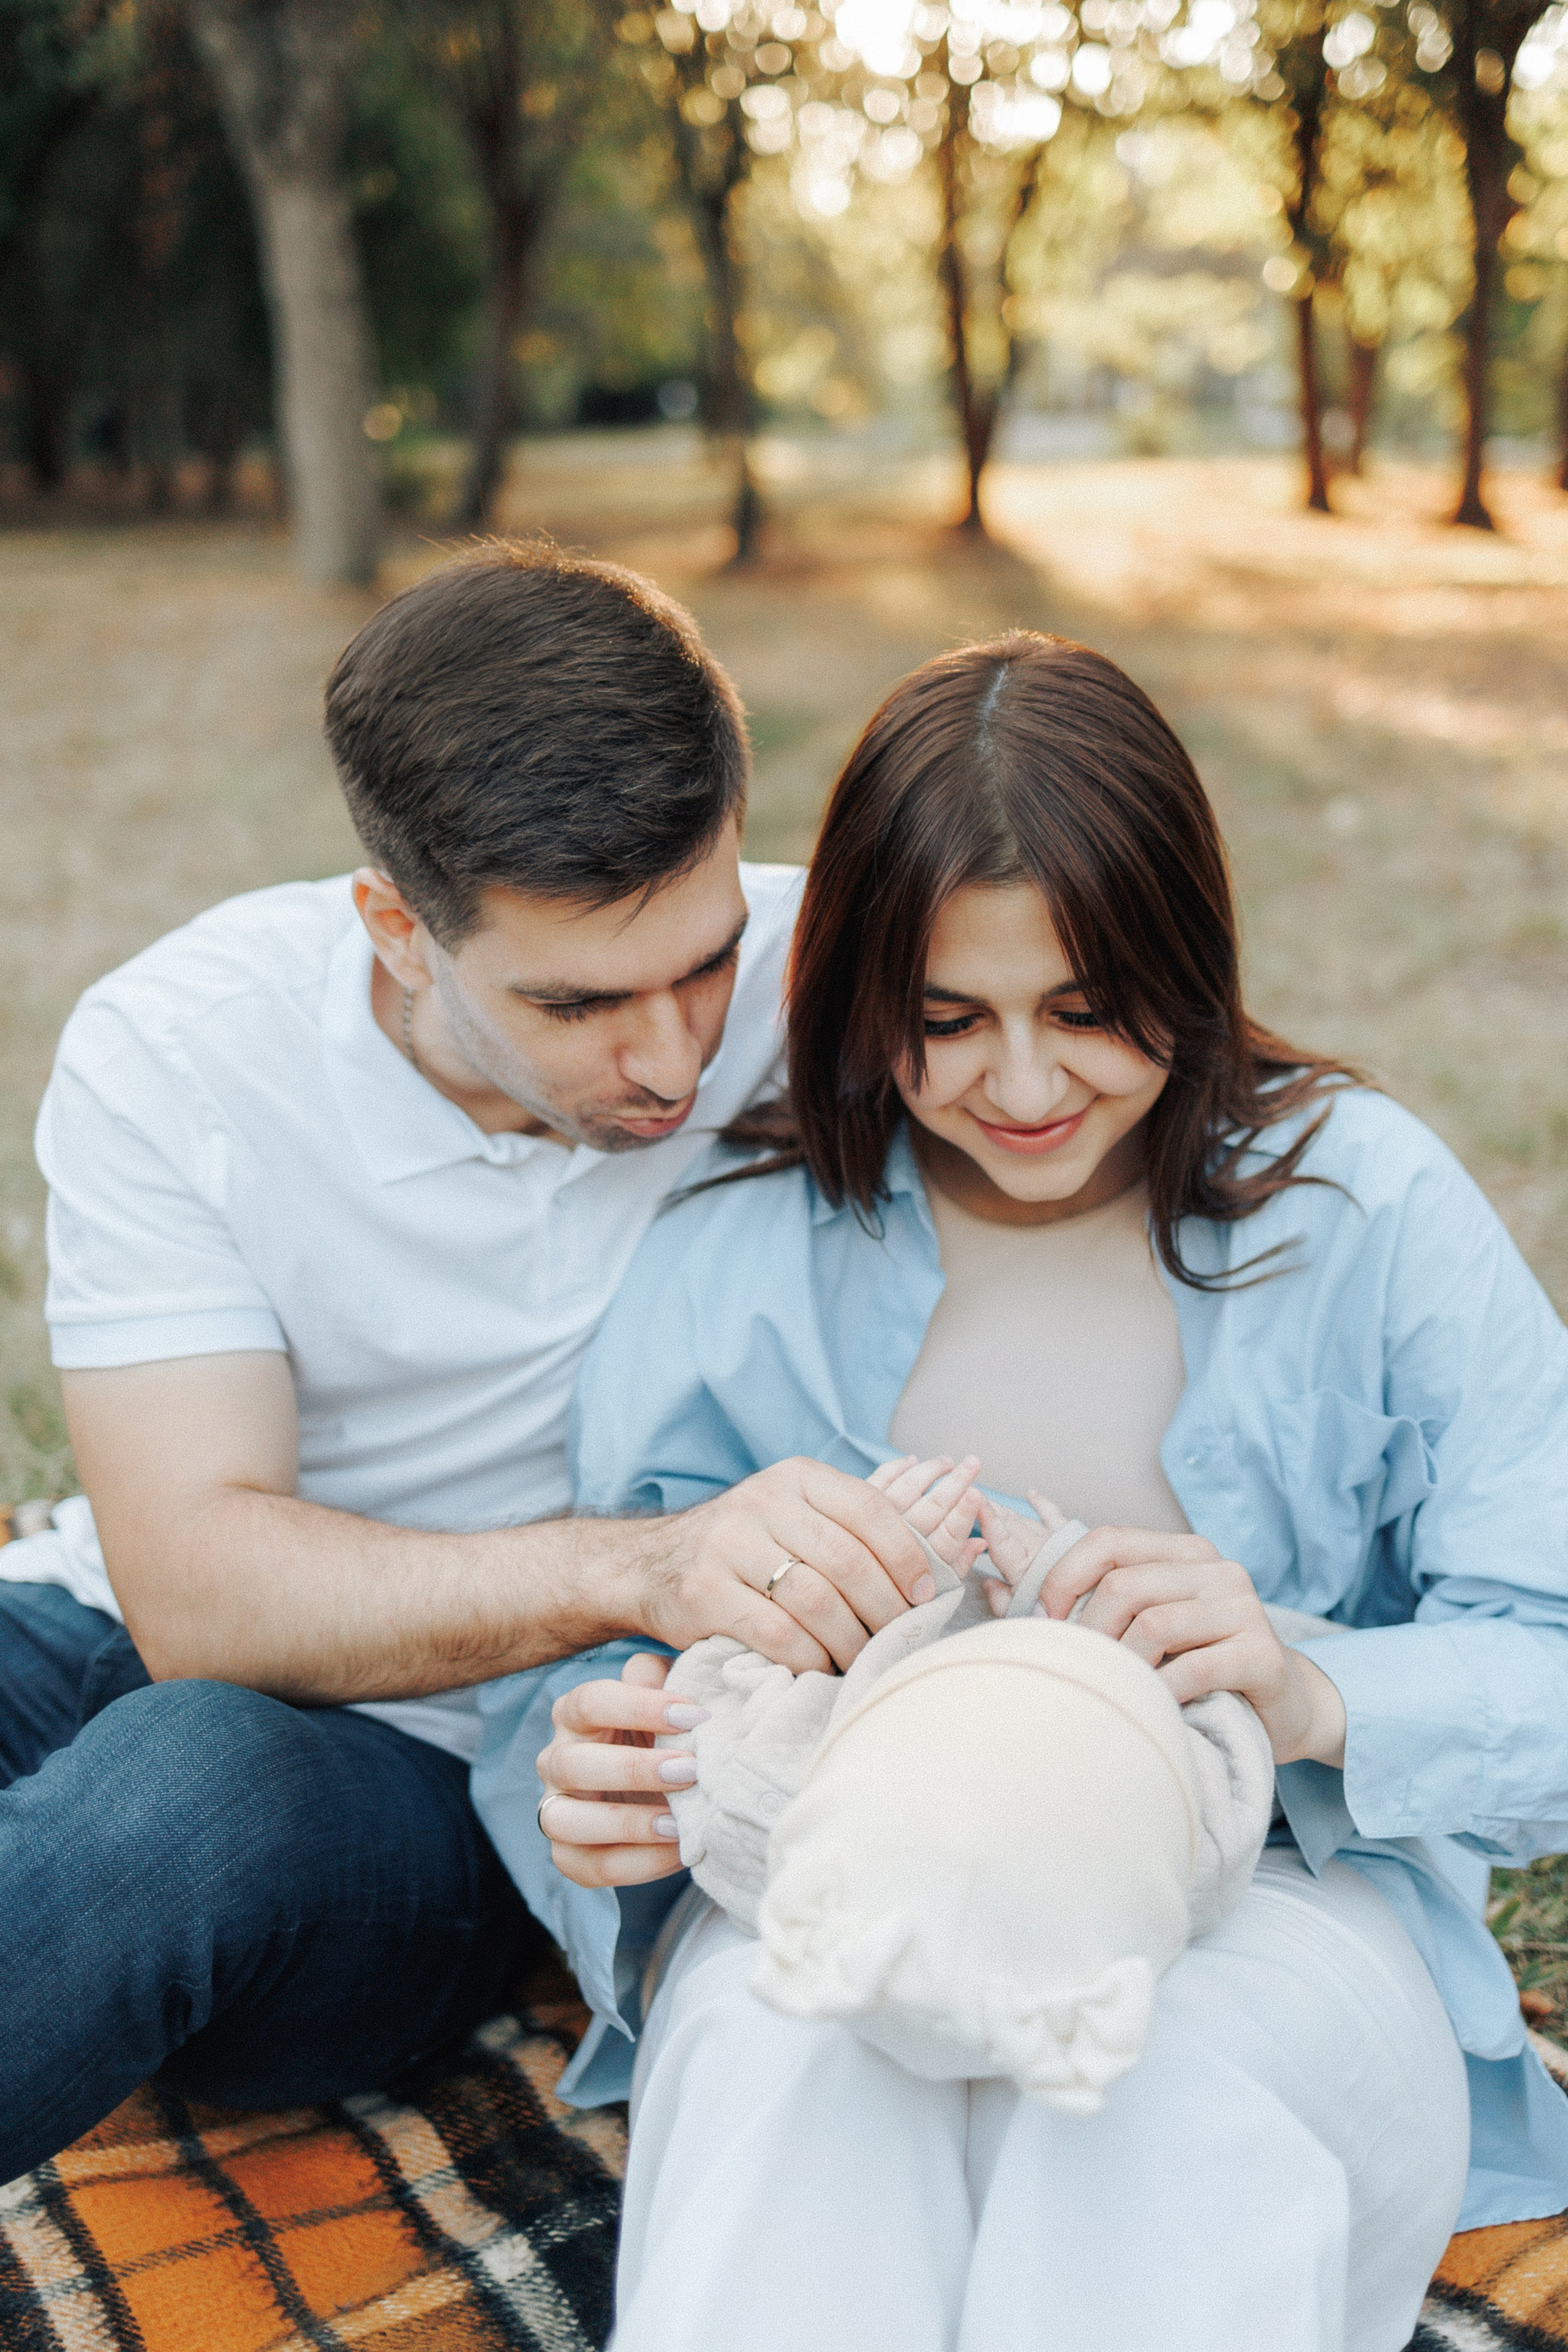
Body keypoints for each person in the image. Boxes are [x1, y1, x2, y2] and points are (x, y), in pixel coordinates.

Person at [519, 632, 1568, 2352]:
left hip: (1268, 1910)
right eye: (947, 1023)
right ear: (861, 1000)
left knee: (1152, 2118)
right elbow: (584, 1691)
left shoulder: (1366, 1211)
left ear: (1193, 954)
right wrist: (616, 1797)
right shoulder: (732, 1257)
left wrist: (1308, 1690)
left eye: (1088, 1011)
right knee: (788, 2080)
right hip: (830, 1889)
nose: (1020, 1088)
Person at [0, 543, 937, 2182]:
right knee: (133, 1725)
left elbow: (1152, 1079)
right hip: (107, 1630)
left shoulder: (835, 978)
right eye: (579, 1002)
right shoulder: (183, 1049)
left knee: (181, 1786)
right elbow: (194, 1593)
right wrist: (645, 1565)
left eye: (705, 958)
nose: (673, 1055)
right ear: (397, 928)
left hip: (421, 1794)